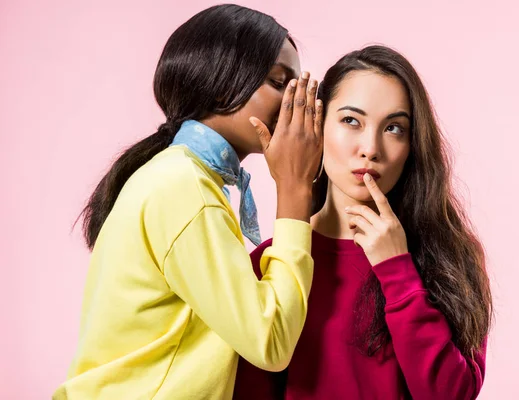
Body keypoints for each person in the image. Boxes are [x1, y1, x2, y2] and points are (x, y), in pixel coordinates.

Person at [53, 4, 323, 399]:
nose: (294, 104)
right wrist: (295, 188)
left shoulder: (182, 177)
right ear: (219, 84)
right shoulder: (184, 188)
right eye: (279, 82)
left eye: (299, 88)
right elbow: (271, 340)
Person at [234, 45, 493, 400]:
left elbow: (451, 395)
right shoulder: (270, 263)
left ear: (412, 145)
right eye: (351, 121)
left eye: (394, 128)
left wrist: (397, 270)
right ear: (318, 126)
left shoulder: (449, 256)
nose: (370, 148)